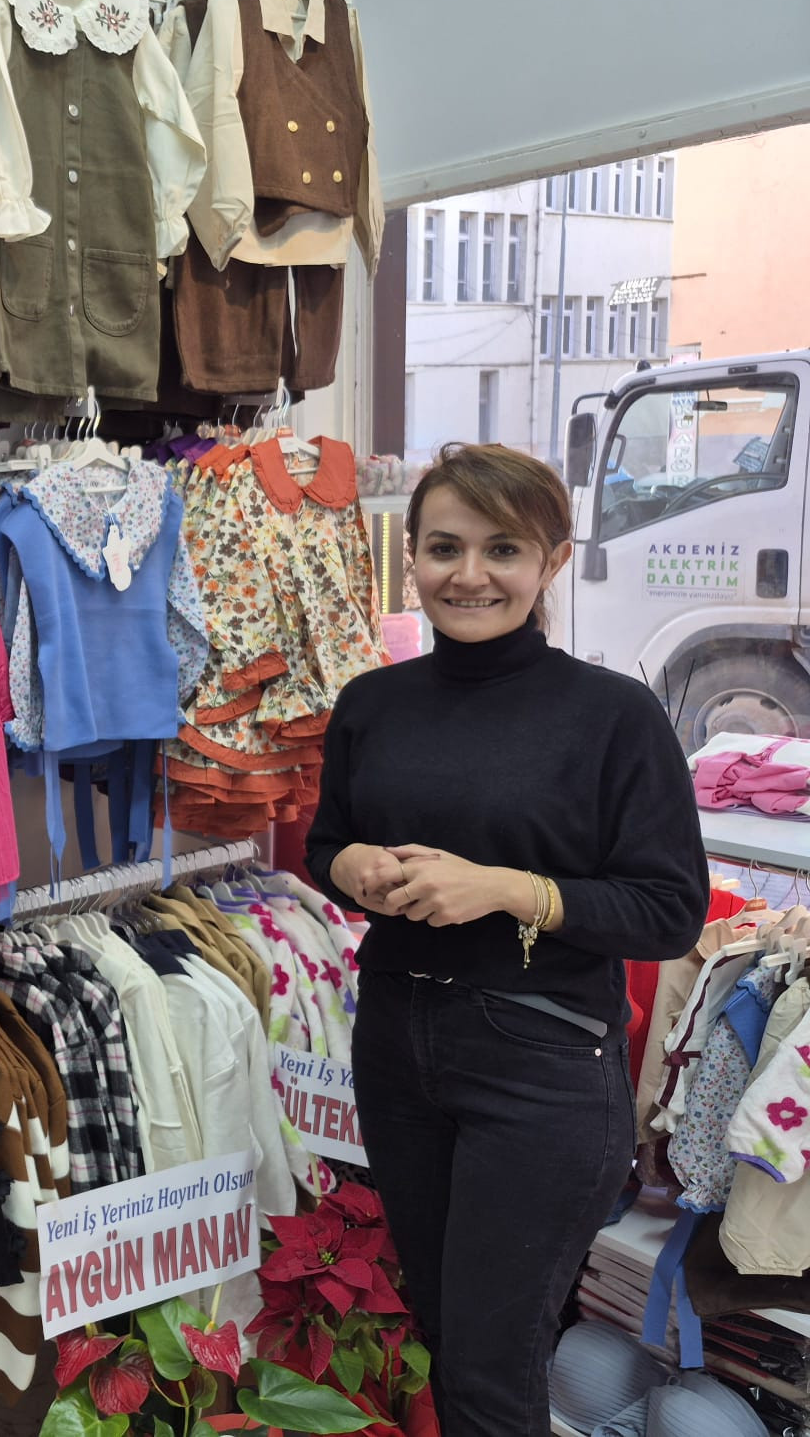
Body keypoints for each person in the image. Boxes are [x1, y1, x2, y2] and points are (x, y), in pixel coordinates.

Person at [305, 443, 709, 1437]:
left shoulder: (610, 715)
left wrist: (504, 891)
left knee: (492, 1368)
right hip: (397, 1046)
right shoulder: (371, 705)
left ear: (552, 562)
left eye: (503, 550)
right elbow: (325, 844)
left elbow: (668, 911)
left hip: (539, 1067)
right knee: (450, 1338)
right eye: (445, 548)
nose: (469, 575)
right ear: (410, 554)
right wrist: (351, 868)